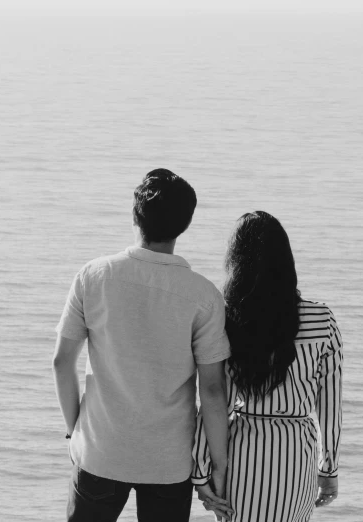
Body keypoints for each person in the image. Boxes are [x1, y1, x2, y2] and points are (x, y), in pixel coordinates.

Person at [52, 169, 235, 522]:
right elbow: (212, 390)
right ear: (186, 223)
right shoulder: (204, 296)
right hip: (169, 460)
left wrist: (75, 431)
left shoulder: (93, 276)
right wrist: (218, 465)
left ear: (136, 216)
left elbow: (62, 362)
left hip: (100, 450)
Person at [192, 211, 343, 522]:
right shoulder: (321, 320)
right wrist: (328, 468)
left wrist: (200, 470)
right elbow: (330, 405)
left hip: (240, 455)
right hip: (295, 455)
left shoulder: (226, 319)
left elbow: (212, 396)